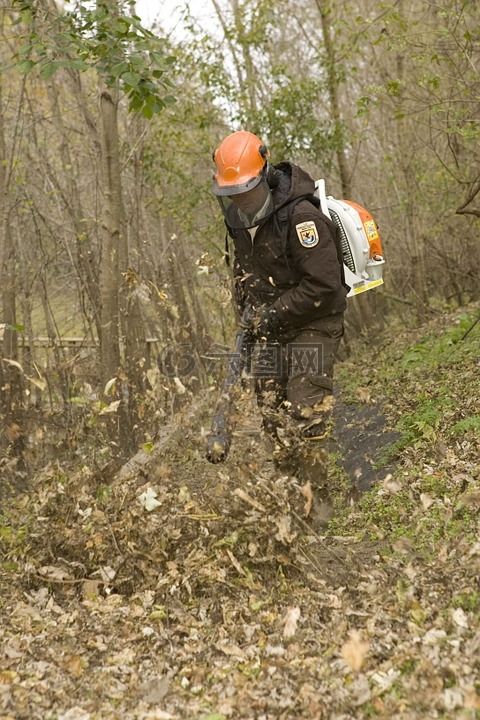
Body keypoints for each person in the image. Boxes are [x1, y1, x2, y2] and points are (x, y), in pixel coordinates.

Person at [211, 130, 348, 519]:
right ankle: (289, 494)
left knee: (306, 408)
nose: (240, 200)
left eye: (247, 191)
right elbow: (245, 275)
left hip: (314, 320)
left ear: (266, 175)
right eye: (232, 193)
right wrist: (248, 321)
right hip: (271, 325)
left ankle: (317, 503)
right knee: (272, 409)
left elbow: (324, 285)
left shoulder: (301, 217)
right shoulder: (240, 223)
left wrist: (269, 315)